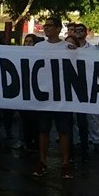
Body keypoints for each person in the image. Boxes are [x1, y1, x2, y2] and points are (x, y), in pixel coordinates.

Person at [33, 17, 75, 178]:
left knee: (63, 131)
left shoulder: (68, 47)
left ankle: (65, 164)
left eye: (50, 26)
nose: (46, 28)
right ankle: (42, 161)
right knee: (43, 130)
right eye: (45, 26)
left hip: (62, 97)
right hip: (44, 95)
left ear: (58, 29)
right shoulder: (38, 47)